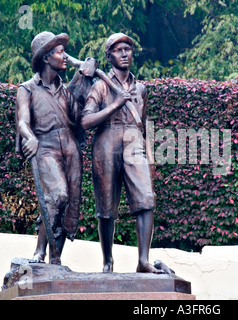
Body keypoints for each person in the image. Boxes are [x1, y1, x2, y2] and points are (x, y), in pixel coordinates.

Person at [82, 33, 160, 273]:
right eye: (118, 50)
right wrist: (115, 104)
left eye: (128, 49)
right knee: (106, 207)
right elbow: (86, 121)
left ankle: (143, 261)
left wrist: (151, 156)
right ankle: (107, 262)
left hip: (134, 141)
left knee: (146, 199)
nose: (125, 54)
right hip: (106, 140)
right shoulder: (101, 85)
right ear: (109, 56)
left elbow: (144, 124)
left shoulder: (141, 89)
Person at [16, 31, 93, 264]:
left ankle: (55, 259)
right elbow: (22, 121)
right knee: (57, 195)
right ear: (47, 58)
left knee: (70, 203)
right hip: (45, 145)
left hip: (70, 147)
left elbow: (79, 119)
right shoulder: (27, 88)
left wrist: (83, 69)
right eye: (61, 52)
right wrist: (29, 137)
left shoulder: (66, 90)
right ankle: (40, 251)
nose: (65, 57)